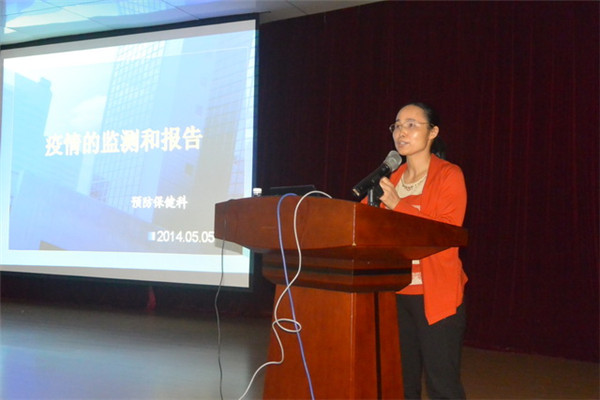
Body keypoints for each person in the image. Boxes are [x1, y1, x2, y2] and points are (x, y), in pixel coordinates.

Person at [378, 102, 468, 399]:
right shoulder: (389, 180)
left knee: (442, 385)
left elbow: (446, 231)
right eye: (397, 125)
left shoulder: (449, 175)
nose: (401, 132)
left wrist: (398, 205)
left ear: (433, 132)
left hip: (436, 296)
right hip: (394, 295)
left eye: (411, 125)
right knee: (402, 385)